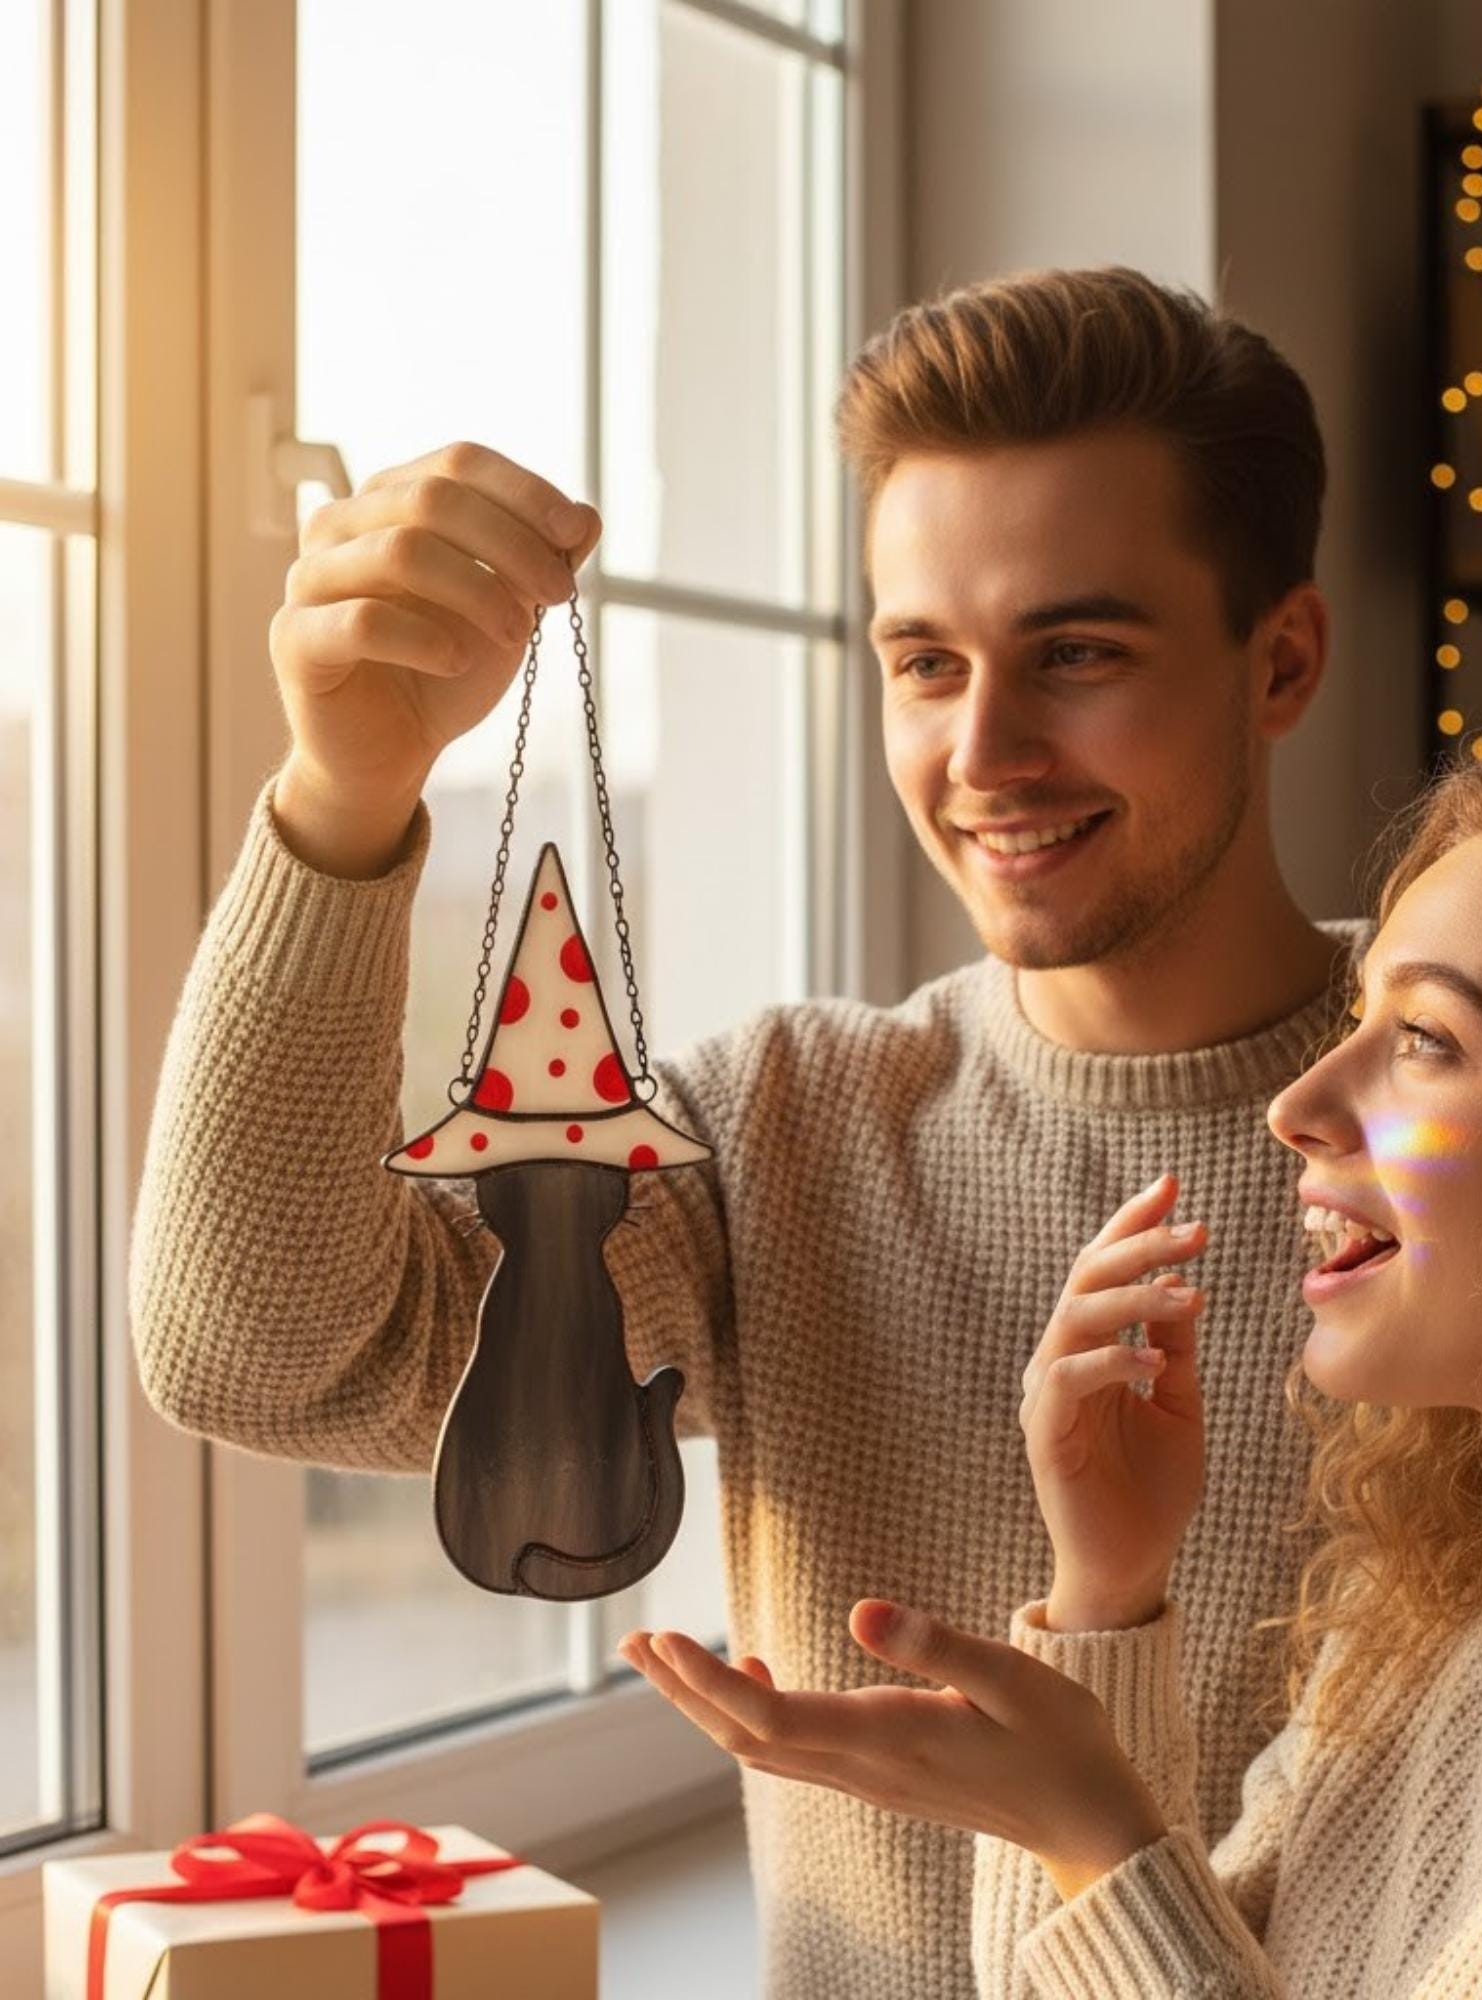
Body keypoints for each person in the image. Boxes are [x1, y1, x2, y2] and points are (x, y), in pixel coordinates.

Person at [128, 267, 1368, 1999]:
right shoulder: (789, 1126)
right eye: (925, 662)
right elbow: (267, 1361)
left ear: (1282, 660)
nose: (984, 751)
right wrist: (343, 804)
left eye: (1078, 653)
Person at [617, 745, 1482, 1998]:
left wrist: (1091, 1833)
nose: (1299, 1104)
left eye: (1424, 1041)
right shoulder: (1459, 1611)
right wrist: (1106, 1594)